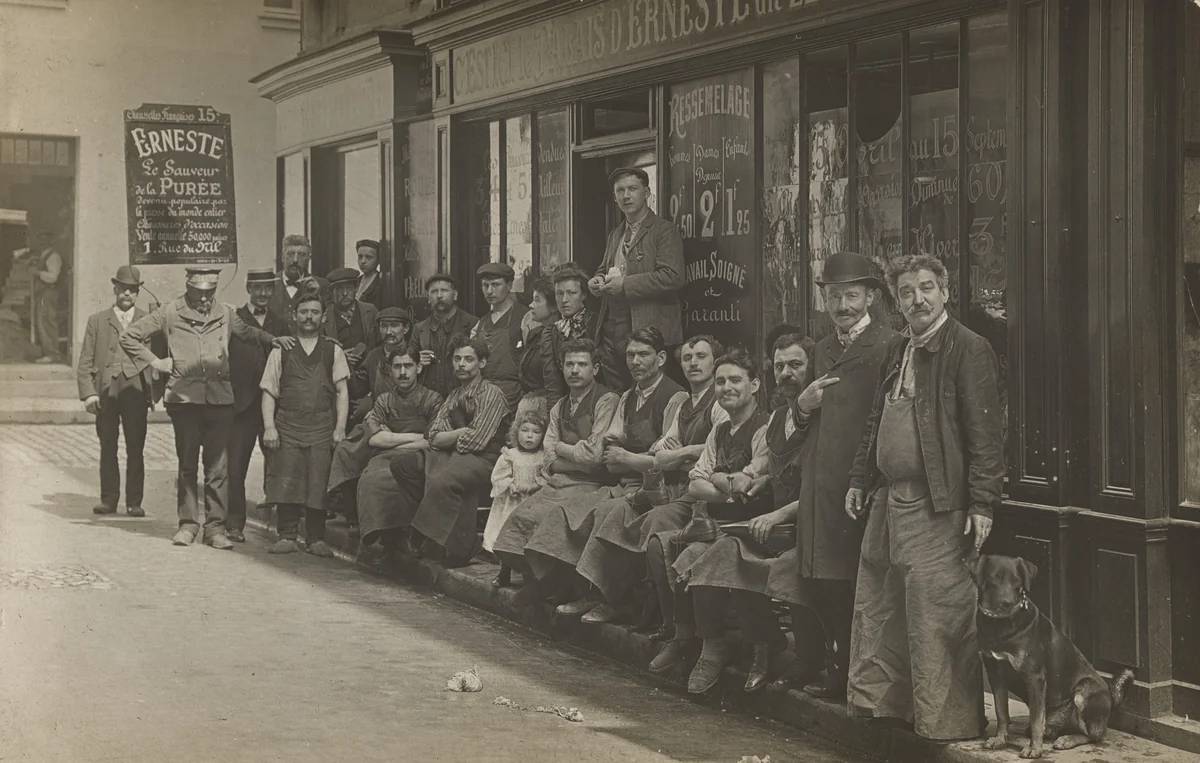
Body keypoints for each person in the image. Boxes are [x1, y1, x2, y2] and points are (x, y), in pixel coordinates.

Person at [845, 253, 1005, 741]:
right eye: (908, 292)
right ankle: (894, 711)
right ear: (896, 301)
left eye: (927, 288)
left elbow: (986, 435)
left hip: (940, 506)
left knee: (938, 615)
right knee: (884, 605)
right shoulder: (899, 350)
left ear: (945, 292)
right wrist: (858, 478)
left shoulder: (968, 348)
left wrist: (980, 504)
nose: (918, 299)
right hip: (889, 501)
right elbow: (876, 420)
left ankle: (948, 724)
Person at [680, 333, 828, 693]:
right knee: (719, 551)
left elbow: (817, 486)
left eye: (796, 365)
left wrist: (763, 502)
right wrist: (743, 481)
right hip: (771, 521)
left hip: (813, 522)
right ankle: (728, 645)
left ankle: (785, 652)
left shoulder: (826, 416)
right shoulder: (779, 419)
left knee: (749, 558)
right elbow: (759, 474)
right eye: (780, 366)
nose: (787, 373)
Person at [121, 267, 294, 549]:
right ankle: (188, 525)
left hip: (220, 400)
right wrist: (156, 362)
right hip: (184, 401)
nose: (203, 300)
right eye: (198, 293)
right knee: (187, 465)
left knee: (218, 468)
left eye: (209, 293)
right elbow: (129, 337)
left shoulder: (225, 313)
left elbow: (247, 331)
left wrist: (270, 339)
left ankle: (215, 528)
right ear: (187, 287)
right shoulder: (169, 312)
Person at [520, 327, 686, 612]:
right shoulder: (627, 398)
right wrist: (625, 456)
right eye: (631, 355)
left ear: (660, 358)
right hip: (625, 482)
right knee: (569, 511)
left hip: (659, 488)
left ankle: (610, 600)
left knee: (602, 514)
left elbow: (662, 458)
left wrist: (625, 455)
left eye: (644, 355)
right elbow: (608, 455)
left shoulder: (675, 397)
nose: (635, 361)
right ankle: (565, 584)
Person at [573, 335, 728, 626]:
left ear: (716, 363)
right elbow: (660, 453)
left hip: (698, 492)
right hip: (669, 484)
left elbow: (713, 450)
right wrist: (680, 454)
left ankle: (659, 610)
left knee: (651, 521)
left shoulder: (717, 403)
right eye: (687, 358)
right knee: (617, 513)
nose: (693, 363)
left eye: (701, 357)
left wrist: (682, 452)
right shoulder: (686, 406)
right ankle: (622, 598)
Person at [642, 348, 772, 694]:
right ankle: (685, 634)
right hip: (719, 523)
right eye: (720, 381)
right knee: (668, 545)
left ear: (755, 385)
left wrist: (721, 481)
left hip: (752, 526)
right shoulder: (719, 431)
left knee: (698, 557)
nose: (726, 387)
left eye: (735, 380)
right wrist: (727, 484)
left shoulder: (766, 427)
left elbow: (752, 490)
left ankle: (715, 646)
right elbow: (696, 483)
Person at [497, 338, 619, 597]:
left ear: (595, 369)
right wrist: (566, 456)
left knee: (554, 519)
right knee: (521, 517)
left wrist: (563, 450)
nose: (575, 370)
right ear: (562, 368)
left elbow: (594, 454)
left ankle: (556, 585)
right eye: (569, 364)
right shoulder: (560, 406)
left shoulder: (606, 400)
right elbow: (547, 455)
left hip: (593, 484)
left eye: (582, 364)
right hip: (560, 481)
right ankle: (541, 580)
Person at [392, 335, 509, 567]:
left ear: (482, 364)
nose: (461, 364)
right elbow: (434, 436)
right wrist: (457, 434)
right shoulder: (454, 396)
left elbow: (476, 442)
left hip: (487, 460)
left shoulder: (491, 394)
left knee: (442, 480)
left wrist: (450, 439)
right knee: (402, 464)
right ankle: (446, 536)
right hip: (457, 454)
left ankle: (436, 541)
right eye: (457, 359)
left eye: (468, 359)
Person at [260, 293, 350, 557]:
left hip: (322, 425)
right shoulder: (281, 350)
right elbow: (268, 391)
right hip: (287, 424)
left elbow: (342, 391)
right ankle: (287, 535)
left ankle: (315, 538)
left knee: (318, 481)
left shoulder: (333, 350)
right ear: (294, 316)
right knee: (287, 479)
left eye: (314, 312)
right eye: (303, 312)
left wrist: (340, 427)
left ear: (323, 317)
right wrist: (269, 426)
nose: (308, 317)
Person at [76, 265, 162, 517]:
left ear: (137, 293)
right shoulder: (97, 321)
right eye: (123, 288)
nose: (127, 294)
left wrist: (156, 391)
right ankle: (109, 499)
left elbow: (161, 356)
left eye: (133, 290)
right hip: (107, 389)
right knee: (108, 445)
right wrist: (89, 393)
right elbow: (85, 361)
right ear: (115, 289)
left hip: (136, 389)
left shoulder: (148, 321)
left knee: (136, 447)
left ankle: (134, 502)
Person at [589, 168, 684, 390]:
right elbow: (605, 268)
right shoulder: (616, 234)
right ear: (614, 198)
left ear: (647, 192)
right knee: (617, 394)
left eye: (633, 189)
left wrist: (626, 284)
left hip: (648, 326)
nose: (626, 195)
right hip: (612, 328)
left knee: (647, 393)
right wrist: (597, 281)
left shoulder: (664, 230)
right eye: (620, 191)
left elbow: (673, 277)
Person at [351, 345, 444, 551]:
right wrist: (415, 436)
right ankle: (387, 535)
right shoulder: (384, 400)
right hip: (385, 456)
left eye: (408, 366)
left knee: (405, 479)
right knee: (370, 479)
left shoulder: (433, 399)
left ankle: (407, 534)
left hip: (420, 456)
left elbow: (434, 440)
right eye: (397, 367)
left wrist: (392, 437)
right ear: (390, 370)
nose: (403, 372)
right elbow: (374, 439)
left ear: (418, 368)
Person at [227, 268, 288, 542]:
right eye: (258, 288)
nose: (263, 294)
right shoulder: (234, 320)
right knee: (235, 467)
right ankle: (234, 524)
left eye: (268, 288)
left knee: (277, 465)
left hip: (273, 408)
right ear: (248, 288)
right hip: (241, 406)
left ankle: (278, 524)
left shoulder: (281, 322)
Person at [482, 410, 548, 587]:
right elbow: (498, 477)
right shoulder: (509, 456)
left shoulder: (543, 457)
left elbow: (545, 478)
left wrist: (534, 487)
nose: (529, 436)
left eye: (536, 432)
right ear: (516, 432)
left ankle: (529, 575)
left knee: (526, 538)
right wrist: (510, 485)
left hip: (532, 503)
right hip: (511, 503)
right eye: (525, 430)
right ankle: (504, 573)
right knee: (508, 537)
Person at [470, 262, 529, 411]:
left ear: (509, 286)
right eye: (485, 285)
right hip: (484, 398)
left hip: (516, 399)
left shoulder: (525, 318)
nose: (489, 291)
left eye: (496, 285)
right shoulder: (480, 324)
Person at [542, 265, 599, 407]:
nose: (564, 300)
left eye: (571, 293)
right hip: (566, 402)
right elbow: (552, 381)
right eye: (559, 294)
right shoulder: (551, 332)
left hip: (597, 399)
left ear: (583, 295)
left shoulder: (597, 324)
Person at [413, 274, 477, 398]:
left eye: (444, 290)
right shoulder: (419, 329)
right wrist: (417, 360)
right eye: (434, 292)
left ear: (455, 294)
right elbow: (409, 363)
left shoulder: (472, 324)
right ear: (428, 298)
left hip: (463, 397)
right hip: (427, 399)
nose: (439, 296)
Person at [516, 277, 559, 419]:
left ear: (553, 306)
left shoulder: (560, 335)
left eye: (537, 300)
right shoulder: (534, 334)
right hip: (529, 403)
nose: (531, 305)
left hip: (548, 407)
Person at [267, 234, 330, 328]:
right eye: (290, 254)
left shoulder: (322, 286)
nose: (295, 260)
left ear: (309, 259)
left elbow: (328, 325)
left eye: (301, 255)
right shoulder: (269, 284)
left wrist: (316, 296)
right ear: (282, 257)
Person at [325, 266, 379, 366]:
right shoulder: (324, 317)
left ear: (356, 289)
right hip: (338, 374)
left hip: (368, 374)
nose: (345, 293)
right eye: (339, 289)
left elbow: (380, 344)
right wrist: (340, 358)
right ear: (332, 291)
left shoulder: (370, 311)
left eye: (349, 288)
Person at [27, 231, 64, 363]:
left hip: (49, 293)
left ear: (50, 241)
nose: (42, 242)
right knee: (42, 323)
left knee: (47, 322)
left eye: (45, 240)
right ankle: (47, 352)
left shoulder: (53, 256)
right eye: (40, 240)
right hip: (42, 293)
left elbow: (53, 277)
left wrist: (37, 273)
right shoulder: (43, 255)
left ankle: (53, 354)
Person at [355, 239, 382, 308]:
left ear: (378, 260)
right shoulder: (355, 281)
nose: (363, 261)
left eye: (369, 257)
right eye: (360, 257)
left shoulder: (381, 283)